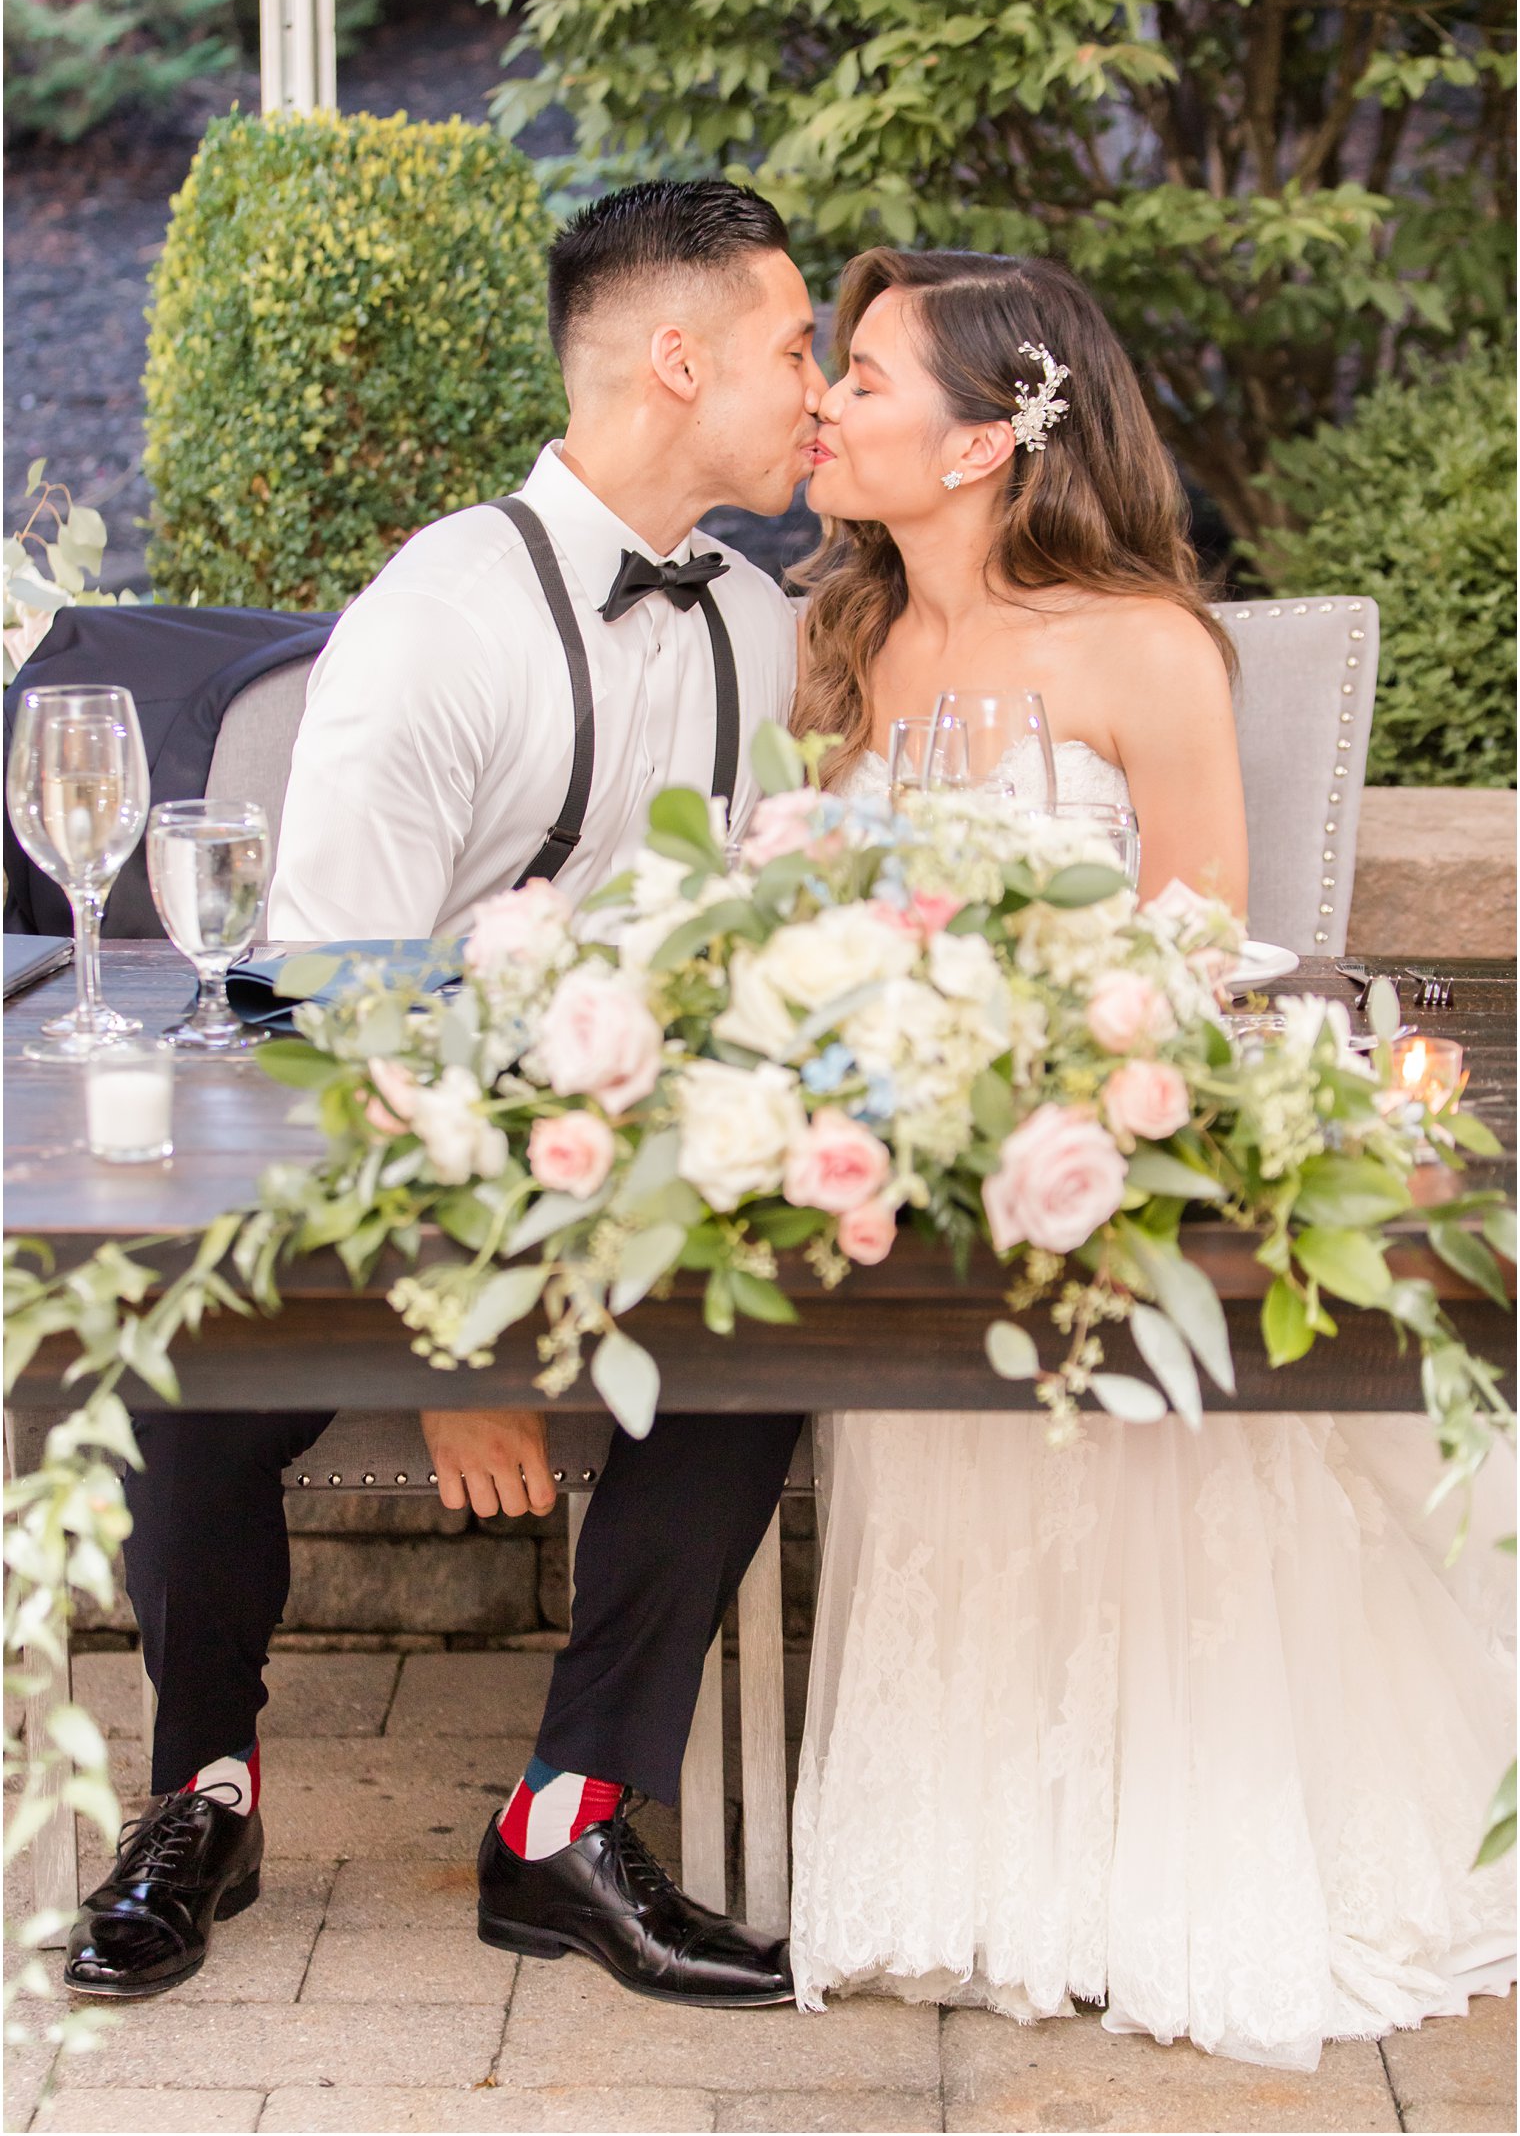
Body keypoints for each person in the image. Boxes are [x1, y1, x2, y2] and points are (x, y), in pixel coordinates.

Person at [65, 178, 829, 2008]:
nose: (813, 387)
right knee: (198, 1333)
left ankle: (565, 1815)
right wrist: (466, 1344)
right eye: (795, 347)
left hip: (611, 1157)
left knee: (777, 1319)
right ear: (676, 358)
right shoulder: (438, 613)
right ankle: (201, 1791)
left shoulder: (765, 619)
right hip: (353, 1146)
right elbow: (329, 1005)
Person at [786, 247, 1516, 2069]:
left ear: (982, 445)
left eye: (864, 379)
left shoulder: (1145, 643)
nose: (826, 402)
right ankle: (967, 1860)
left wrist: (1051, 1058)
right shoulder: (850, 635)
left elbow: (1215, 953)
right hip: (910, 1165)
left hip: (1107, 1149)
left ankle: (1180, 1863)